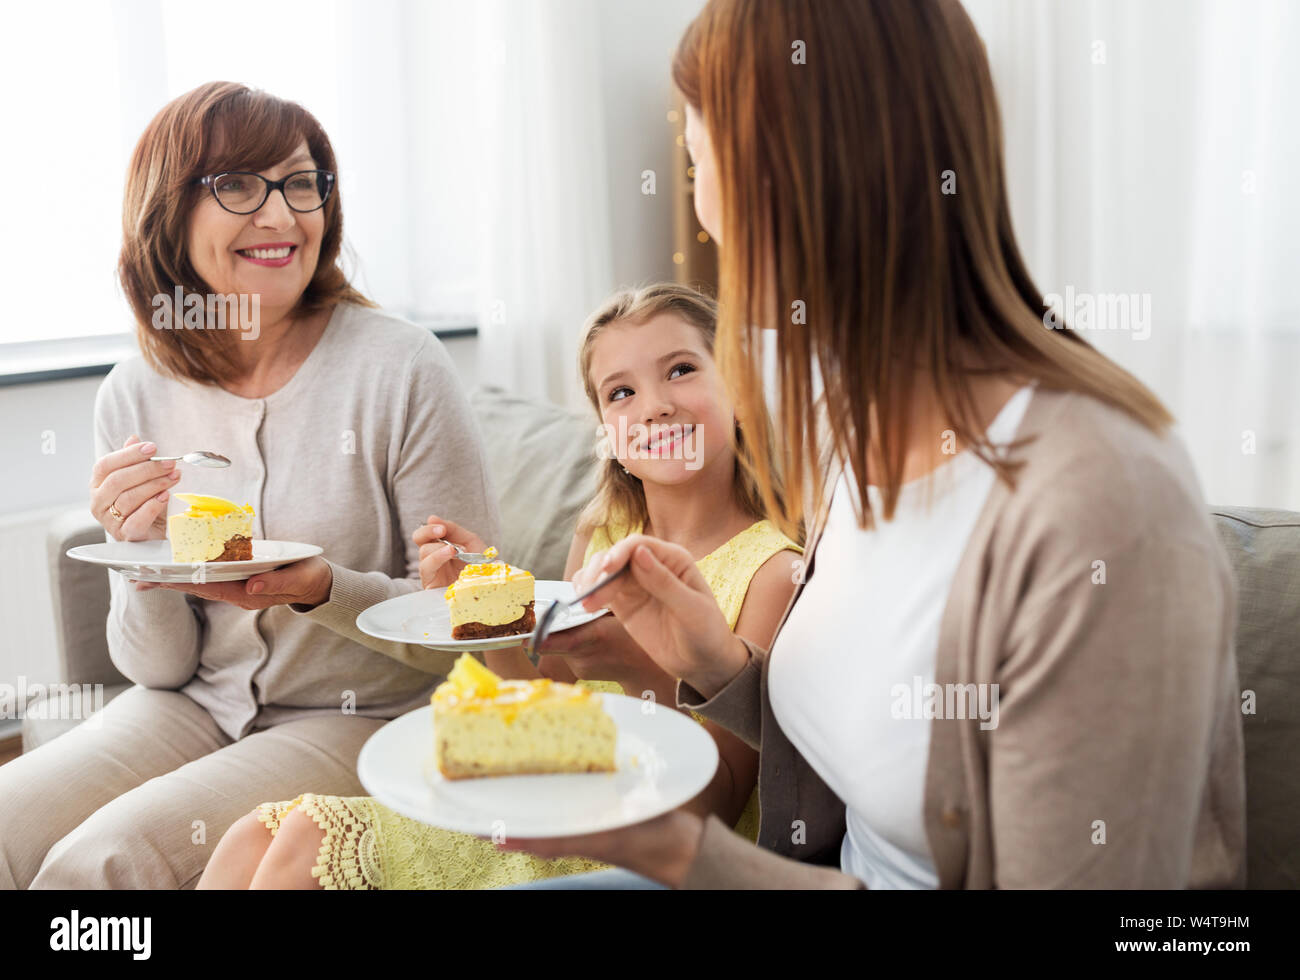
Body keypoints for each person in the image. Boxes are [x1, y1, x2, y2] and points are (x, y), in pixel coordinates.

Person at [499, 0, 1246, 889]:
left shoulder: (1102, 506)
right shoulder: (857, 433)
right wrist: (717, 665)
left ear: (789, 178)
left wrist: (687, 855)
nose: (701, 216)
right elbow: (857, 762)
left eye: (701, 166)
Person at [0, 81, 499, 889]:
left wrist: (322, 589)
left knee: (97, 865)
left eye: (300, 184)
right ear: (170, 211)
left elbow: (469, 625)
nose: (280, 215)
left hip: (365, 714)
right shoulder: (134, 392)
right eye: (237, 185)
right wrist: (137, 554)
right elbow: (158, 670)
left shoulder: (400, 367)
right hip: (190, 703)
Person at [197, 282, 803, 889]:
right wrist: (490, 600)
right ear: (608, 436)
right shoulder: (603, 532)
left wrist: (634, 664)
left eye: (681, 370)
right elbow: (543, 692)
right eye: (621, 392)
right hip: (550, 793)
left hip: (634, 847)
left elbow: (718, 810)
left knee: (302, 843)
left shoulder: (772, 571)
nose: (654, 406)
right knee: (253, 836)